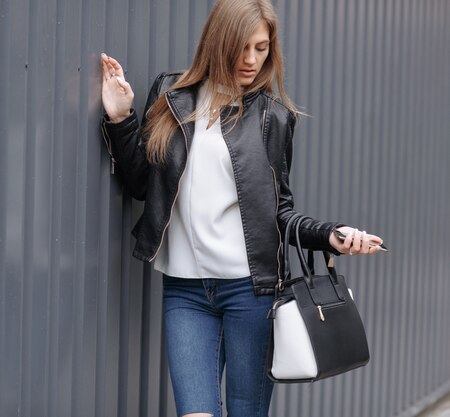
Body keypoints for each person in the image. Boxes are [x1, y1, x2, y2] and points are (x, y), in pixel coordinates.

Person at [99, 0, 384, 416]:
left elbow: (280, 212)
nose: (251, 60)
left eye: (262, 48)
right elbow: (144, 183)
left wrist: (331, 235)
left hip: (250, 292)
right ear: (218, 41)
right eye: (242, 47)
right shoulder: (172, 95)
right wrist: (121, 118)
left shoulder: (274, 117)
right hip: (185, 290)